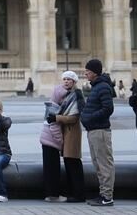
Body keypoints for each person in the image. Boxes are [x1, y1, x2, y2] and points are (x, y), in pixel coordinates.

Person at [80, 58, 115, 207]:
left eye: (87, 71)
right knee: (98, 164)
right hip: (94, 130)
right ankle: (103, 194)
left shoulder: (103, 87)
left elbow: (108, 109)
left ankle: (107, 197)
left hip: (100, 130)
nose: (86, 74)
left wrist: (89, 118)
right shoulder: (97, 87)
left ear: (94, 72)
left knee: (104, 164)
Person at [53, 71, 85, 203]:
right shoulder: (68, 95)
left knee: (73, 164)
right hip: (67, 132)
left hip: (72, 132)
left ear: (74, 81)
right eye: (64, 79)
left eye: (69, 79)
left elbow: (73, 117)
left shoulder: (76, 94)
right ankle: (74, 193)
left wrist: (56, 117)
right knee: (69, 163)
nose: (66, 81)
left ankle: (78, 195)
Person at [40, 81, 68, 202]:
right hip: (51, 142)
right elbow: (54, 127)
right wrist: (61, 143)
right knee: (53, 170)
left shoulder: (51, 106)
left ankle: (49, 194)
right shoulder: (56, 109)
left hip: (45, 140)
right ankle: (54, 196)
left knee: (48, 169)